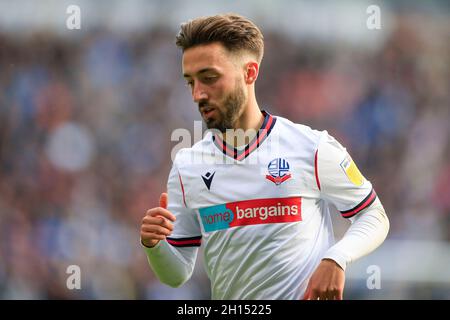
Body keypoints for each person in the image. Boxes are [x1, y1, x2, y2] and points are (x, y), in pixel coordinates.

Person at [140, 13, 389, 300]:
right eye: (190, 82)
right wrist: (155, 245)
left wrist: (337, 258)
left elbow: (373, 215)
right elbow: (176, 273)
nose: (198, 94)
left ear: (249, 73)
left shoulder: (312, 147)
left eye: (209, 78)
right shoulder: (187, 166)